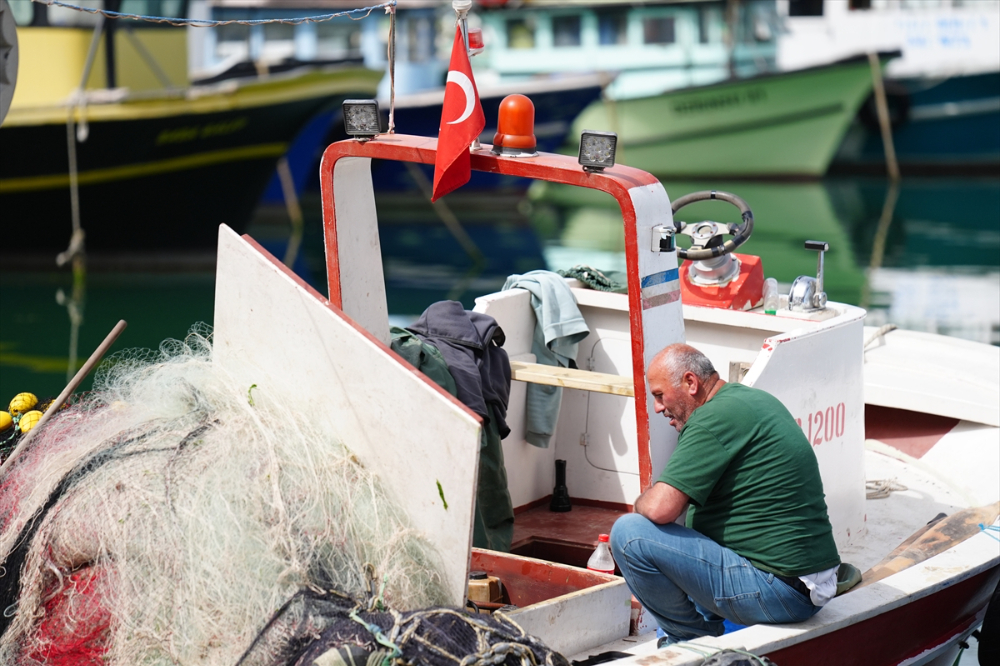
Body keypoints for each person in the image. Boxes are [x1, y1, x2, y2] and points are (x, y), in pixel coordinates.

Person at [610, 344, 840, 647]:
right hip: (802, 584)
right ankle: (701, 629)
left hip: (780, 591)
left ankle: (690, 641)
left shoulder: (711, 419)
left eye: (659, 395)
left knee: (629, 534)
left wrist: (643, 499)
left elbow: (660, 509)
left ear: (691, 383)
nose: (657, 408)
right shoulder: (749, 400)